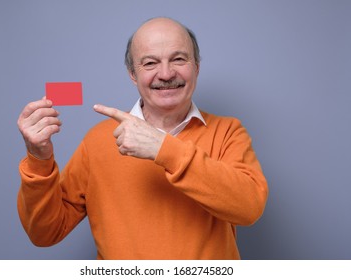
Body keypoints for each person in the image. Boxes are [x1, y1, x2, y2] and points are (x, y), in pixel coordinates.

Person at [17, 17, 268, 259]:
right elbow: (44, 233)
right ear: (133, 74)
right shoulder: (98, 141)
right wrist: (39, 159)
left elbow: (249, 208)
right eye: (150, 63)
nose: (166, 73)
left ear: (196, 67)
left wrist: (163, 148)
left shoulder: (227, 131)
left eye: (179, 59)